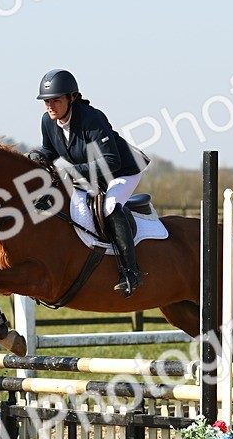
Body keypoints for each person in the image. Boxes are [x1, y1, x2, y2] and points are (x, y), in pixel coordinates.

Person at [30, 68, 148, 296]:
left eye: (55, 100)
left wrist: (70, 172)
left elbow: (111, 161)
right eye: (46, 101)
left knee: (110, 207)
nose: (49, 106)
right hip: (88, 175)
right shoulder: (48, 120)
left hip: (122, 172)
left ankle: (131, 273)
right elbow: (49, 150)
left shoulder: (92, 118)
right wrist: (37, 157)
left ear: (72, 97)